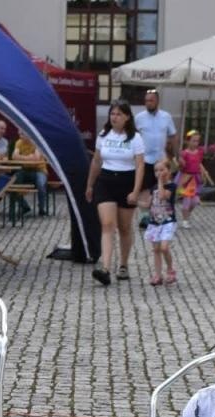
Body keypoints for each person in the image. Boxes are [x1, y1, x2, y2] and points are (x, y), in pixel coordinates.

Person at [84, 98, 144, 286]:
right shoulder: (104, 135)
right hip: (106, 181)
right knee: (107, 224)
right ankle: (105, 268)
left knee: (124, 227)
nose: (114, 117)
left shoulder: (135, 137)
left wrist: (136, 191)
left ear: (127, 117)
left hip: (126, 181)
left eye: (118, 114)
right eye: (112, 113)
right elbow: (96, 161)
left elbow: (140, 165)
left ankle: (123, 264)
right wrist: (90, 184)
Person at [144, 157, 177, 286]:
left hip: (168, 221)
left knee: (164, 247)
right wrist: (134, 201)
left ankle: (170, 270)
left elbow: (163, 196)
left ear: (168, 171)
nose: (158, 173)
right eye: (156, 171)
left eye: (161, 170)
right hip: (154, 223)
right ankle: (157, 275)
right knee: (156, 249)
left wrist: (159, 182)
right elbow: (148, 204)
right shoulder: (153, 188)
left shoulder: (172, 186)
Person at [133, 88, 178, 166]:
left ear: (157, 101)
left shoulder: (166, 116)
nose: (148, 103)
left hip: (161, 161)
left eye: (151, 100)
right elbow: (132, 137)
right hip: (144, 161)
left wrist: (178, 155)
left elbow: (173, 137)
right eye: (146, 101)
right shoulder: (138, 118)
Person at [175, 129, 211, 222]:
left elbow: (199, 163)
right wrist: (180, 163)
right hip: (186, 179)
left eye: (197, 141)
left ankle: (186, 214)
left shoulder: (200, 152)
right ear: (187, 141)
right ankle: (185, 220)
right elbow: (180, 167)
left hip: (196, 179)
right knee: (187, 199)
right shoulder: (184, 153)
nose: (196, 143)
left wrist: (203, 171)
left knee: (195, 201)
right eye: (193, 141)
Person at [11, 129, 49, 215]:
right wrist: (28, 157)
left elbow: (36, 159)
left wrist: (20, 157)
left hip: (39, 170)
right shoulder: (19, 142)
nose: (20, 136)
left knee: (41, 184)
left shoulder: (37, 142)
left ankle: (41, 208)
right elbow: (14, 156)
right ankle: (25, 207)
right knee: (14, 181)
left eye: (22, 134)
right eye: (19, 134)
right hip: (26, 170)